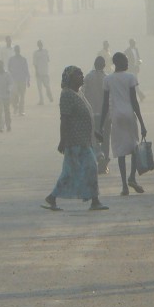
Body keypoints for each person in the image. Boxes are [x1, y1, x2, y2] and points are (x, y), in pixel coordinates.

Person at [42, 66, 109, 212]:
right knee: (77, 170)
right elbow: (64, 119)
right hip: (74, 141)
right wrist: (62, 140)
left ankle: (54, 197)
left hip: (85, 140)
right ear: (70, 78)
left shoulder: (78, 93)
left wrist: (95, 132)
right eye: (78, 75)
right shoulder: (66, 95)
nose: (82, 77)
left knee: (85, 169)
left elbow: (87, 115)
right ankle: (55, 197)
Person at [100, 52, 147, 196]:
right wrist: (142, 123)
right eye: (125, 61)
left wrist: (100, 125)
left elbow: (105, 105)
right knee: (133, 148)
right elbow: (134, 101)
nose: (127, 63)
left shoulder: (108, 79)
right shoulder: (130, 77)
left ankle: (124, 186)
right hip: (129, 115)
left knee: (120, 152)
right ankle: (132, 177)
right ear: (118, 62)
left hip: (116, 116)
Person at [83, 56, 111, 174]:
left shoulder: (88, 78)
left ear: (94, 65)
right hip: (106, 114)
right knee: (105, 138)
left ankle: (98, 155)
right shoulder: (107, 78)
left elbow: (83, 94)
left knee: (93, 138)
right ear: (104, 65)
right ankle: (104, 164)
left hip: (92, 113)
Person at [7, 45, 30, 116]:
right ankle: (15, 107)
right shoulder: (11, 59)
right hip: (14, 80)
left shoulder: (23, 59)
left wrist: (28, 80)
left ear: (19, 51)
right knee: (13, 95)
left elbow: (26, 70)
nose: (17, 51)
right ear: (15, 51)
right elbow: (8, 69)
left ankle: (21, 111)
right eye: (16, 50)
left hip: (22, 80)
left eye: (18, 50)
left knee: (22, 96)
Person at [0, 60, 13, 133]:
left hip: (7, 94)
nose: (0, 67)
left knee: (7, 110)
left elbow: (10, 83)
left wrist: (9, 89)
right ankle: (1, 127)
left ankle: (8, 125)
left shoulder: (8, 74)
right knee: (0, 111)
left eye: (1, 65)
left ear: (3, 65)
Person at [32, 40, 53, 105]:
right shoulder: (36, 53)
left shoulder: (45, 51)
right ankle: (42, 100)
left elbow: (48, 59)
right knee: (40, 88)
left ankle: (49, 96)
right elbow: (35, 64)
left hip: (45, 72)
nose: (40, 45)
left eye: (40, 44)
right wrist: (36, 71)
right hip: (40, 72)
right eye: (39, 44)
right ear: (38, 45)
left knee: (46, 86)